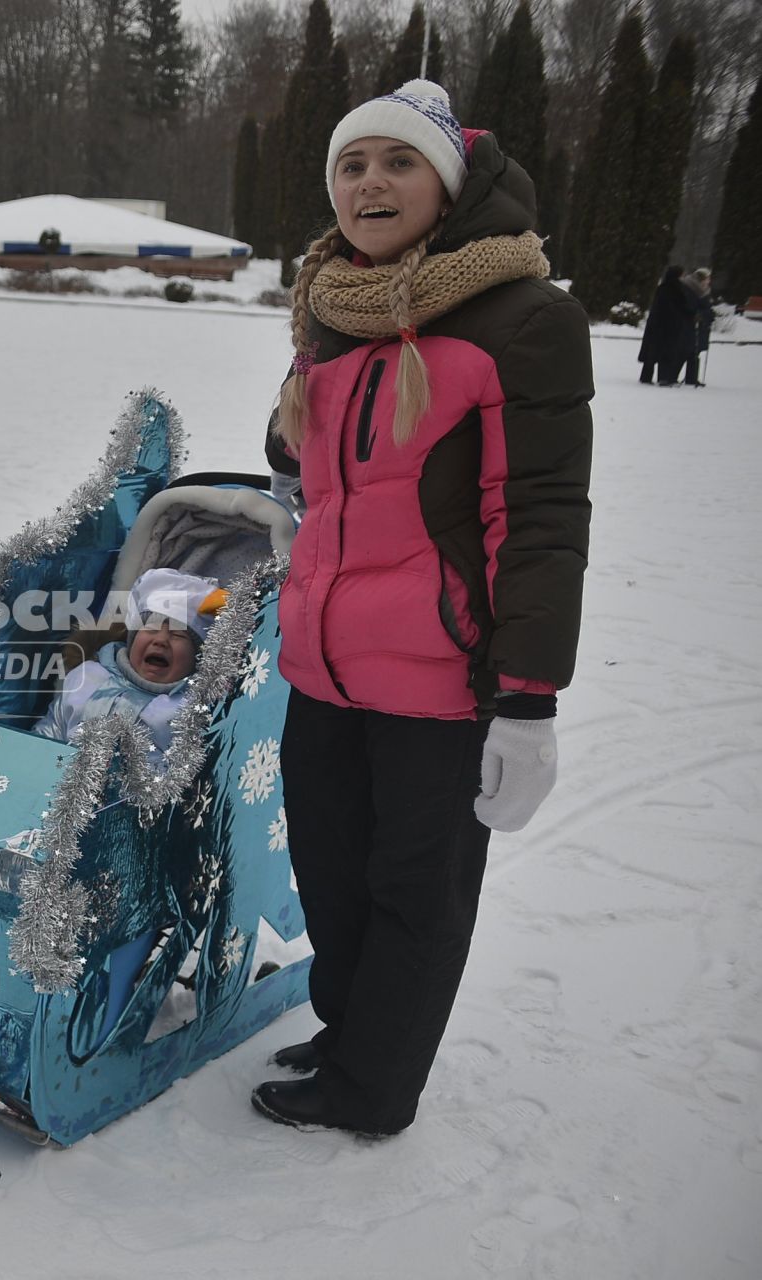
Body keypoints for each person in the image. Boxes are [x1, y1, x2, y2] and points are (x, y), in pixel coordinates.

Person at [256, 80, 593, 1136]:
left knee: (414, 893)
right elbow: (322, 464)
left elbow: (538, 517)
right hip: (324, 669)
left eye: (397, 162)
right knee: (333, 878)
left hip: (442, 682)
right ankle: (353, 1030)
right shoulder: (332, 311)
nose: (370, 182)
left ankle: (372, 1085)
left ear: (448, 183)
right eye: (352, 164)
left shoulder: (522, 318)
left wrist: (527, 699)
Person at [35, 568, 225, 751]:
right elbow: (51, 730)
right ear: (132, 641)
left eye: (177, 635)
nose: (160, 640)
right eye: (151, 628)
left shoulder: (188, 710)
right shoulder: (88, 676)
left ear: (197, 658)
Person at [638, 265, 698, 386]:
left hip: (656, 325)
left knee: (652, 352)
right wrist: (692, 314)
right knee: (666, 353)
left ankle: (646, 377)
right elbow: (682, 307)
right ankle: (664, 377)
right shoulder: (676, 289)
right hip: (670, 327)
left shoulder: (662, 288)